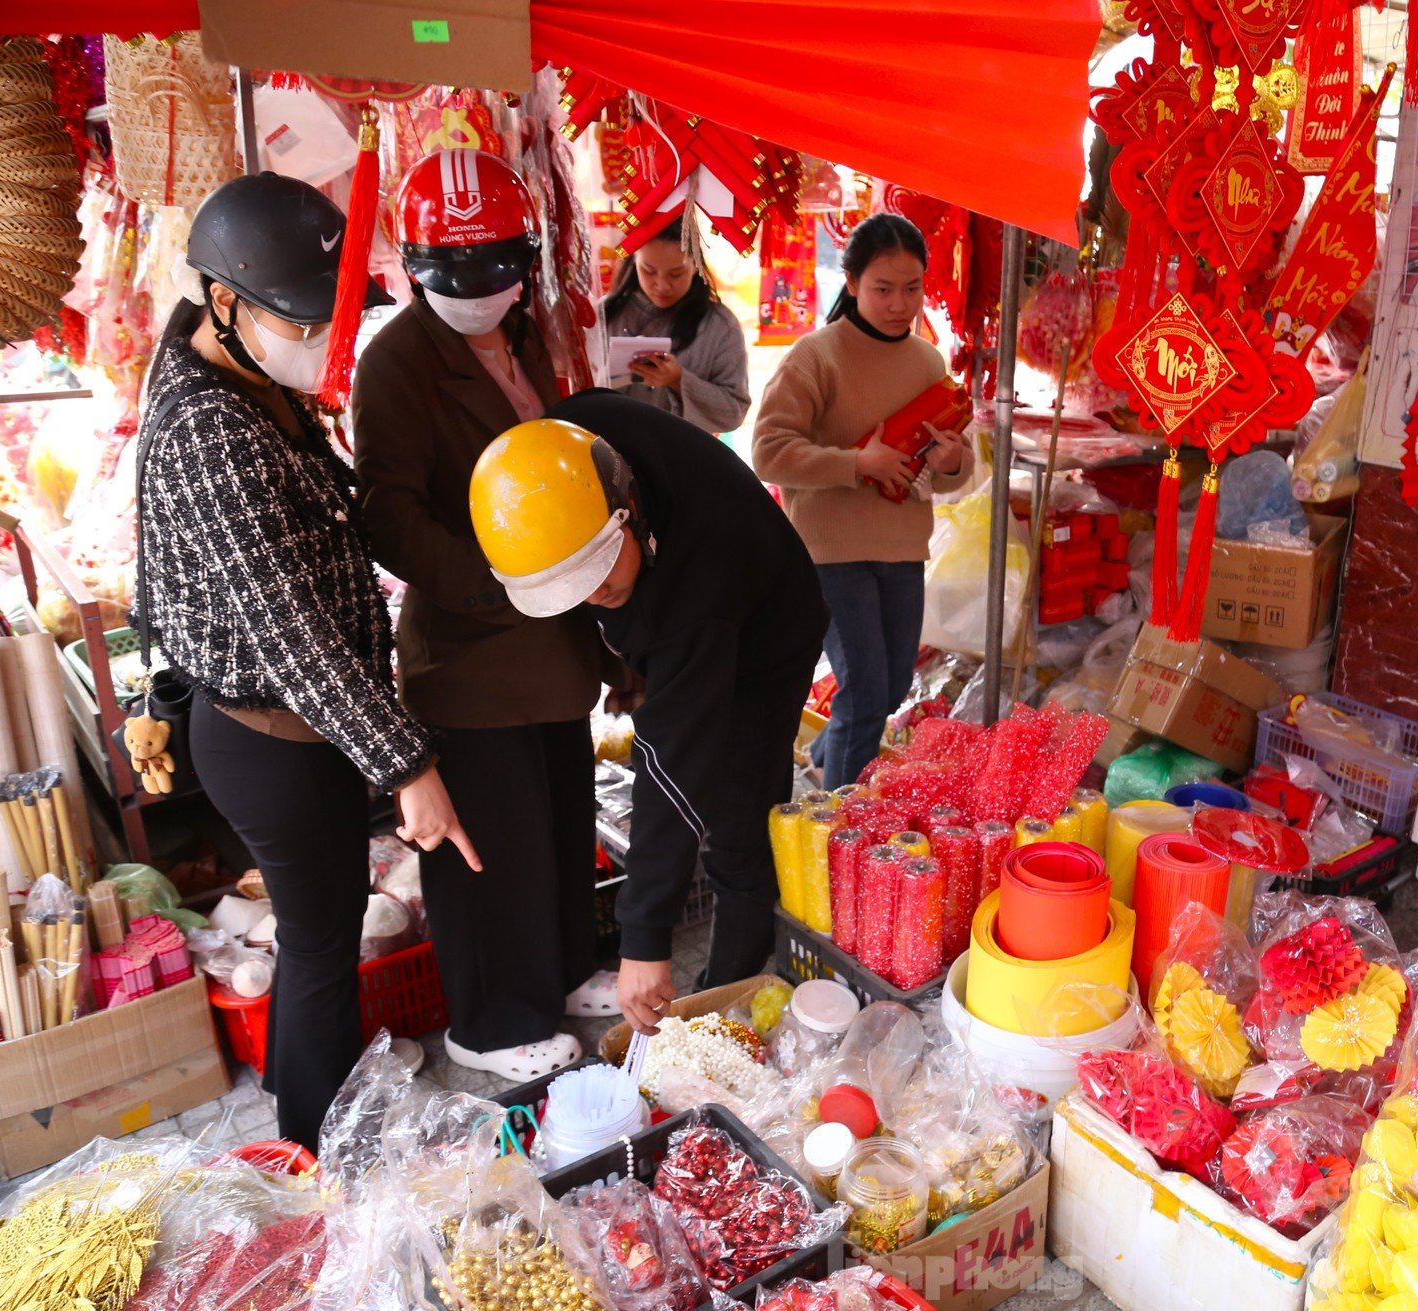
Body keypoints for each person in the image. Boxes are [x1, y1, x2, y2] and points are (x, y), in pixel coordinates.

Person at [137, 172, 480, 1149]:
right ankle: (317, 1151)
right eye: (302, 319)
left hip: (301, 725)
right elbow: (289, 630)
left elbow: (341, 511)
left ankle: (310, 1131)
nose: (323, 340)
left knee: (318, 943)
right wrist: (407, 766)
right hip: (268, 735)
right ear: (225, 302)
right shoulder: (211, 429)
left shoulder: (239, 376)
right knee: (324, 949)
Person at [352, 148, 608, 1082]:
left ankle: (566, 970)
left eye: (495, 268)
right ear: (414, 265)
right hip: (471, 646)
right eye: (451, 273)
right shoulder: (395, 363)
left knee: (554, 819)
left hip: (556, 636)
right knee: (485, 847)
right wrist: (493, 588)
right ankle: (491, 1024)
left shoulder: (529, 331)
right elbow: (389, 515)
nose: (475, 290)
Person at [467, 403, 826, 1035]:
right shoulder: (560, 459)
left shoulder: (697, 589)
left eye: (600, 569)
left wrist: (645, 939)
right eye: (568, 588)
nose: (592, 594)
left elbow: (669, 764)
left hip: (770, 632)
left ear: (627, 511)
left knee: (739, 822)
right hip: (689, 597)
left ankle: (725, 1002)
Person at [751, 213, 971, 790]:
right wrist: (856, 464)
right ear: (850, 284)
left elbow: (951, 467)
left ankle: (827, 756)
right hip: (829, 553)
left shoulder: (927, 362)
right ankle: (843, 827)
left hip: (901, 547)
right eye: (883, 289)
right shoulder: (816, 357)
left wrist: (951, 462)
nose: (900, 304)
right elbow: (768, 451)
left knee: (891, 685)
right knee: (867, 691)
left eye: (912, 288)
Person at [602, 222, 751, 433]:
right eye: (649, 271)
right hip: (611, 454)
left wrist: (678, 380)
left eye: (676, 273)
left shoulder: (720, 326)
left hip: (685, 459)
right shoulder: (604, 315)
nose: (662, 285)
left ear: (696, 265)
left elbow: (734, 412)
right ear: (634, 261)